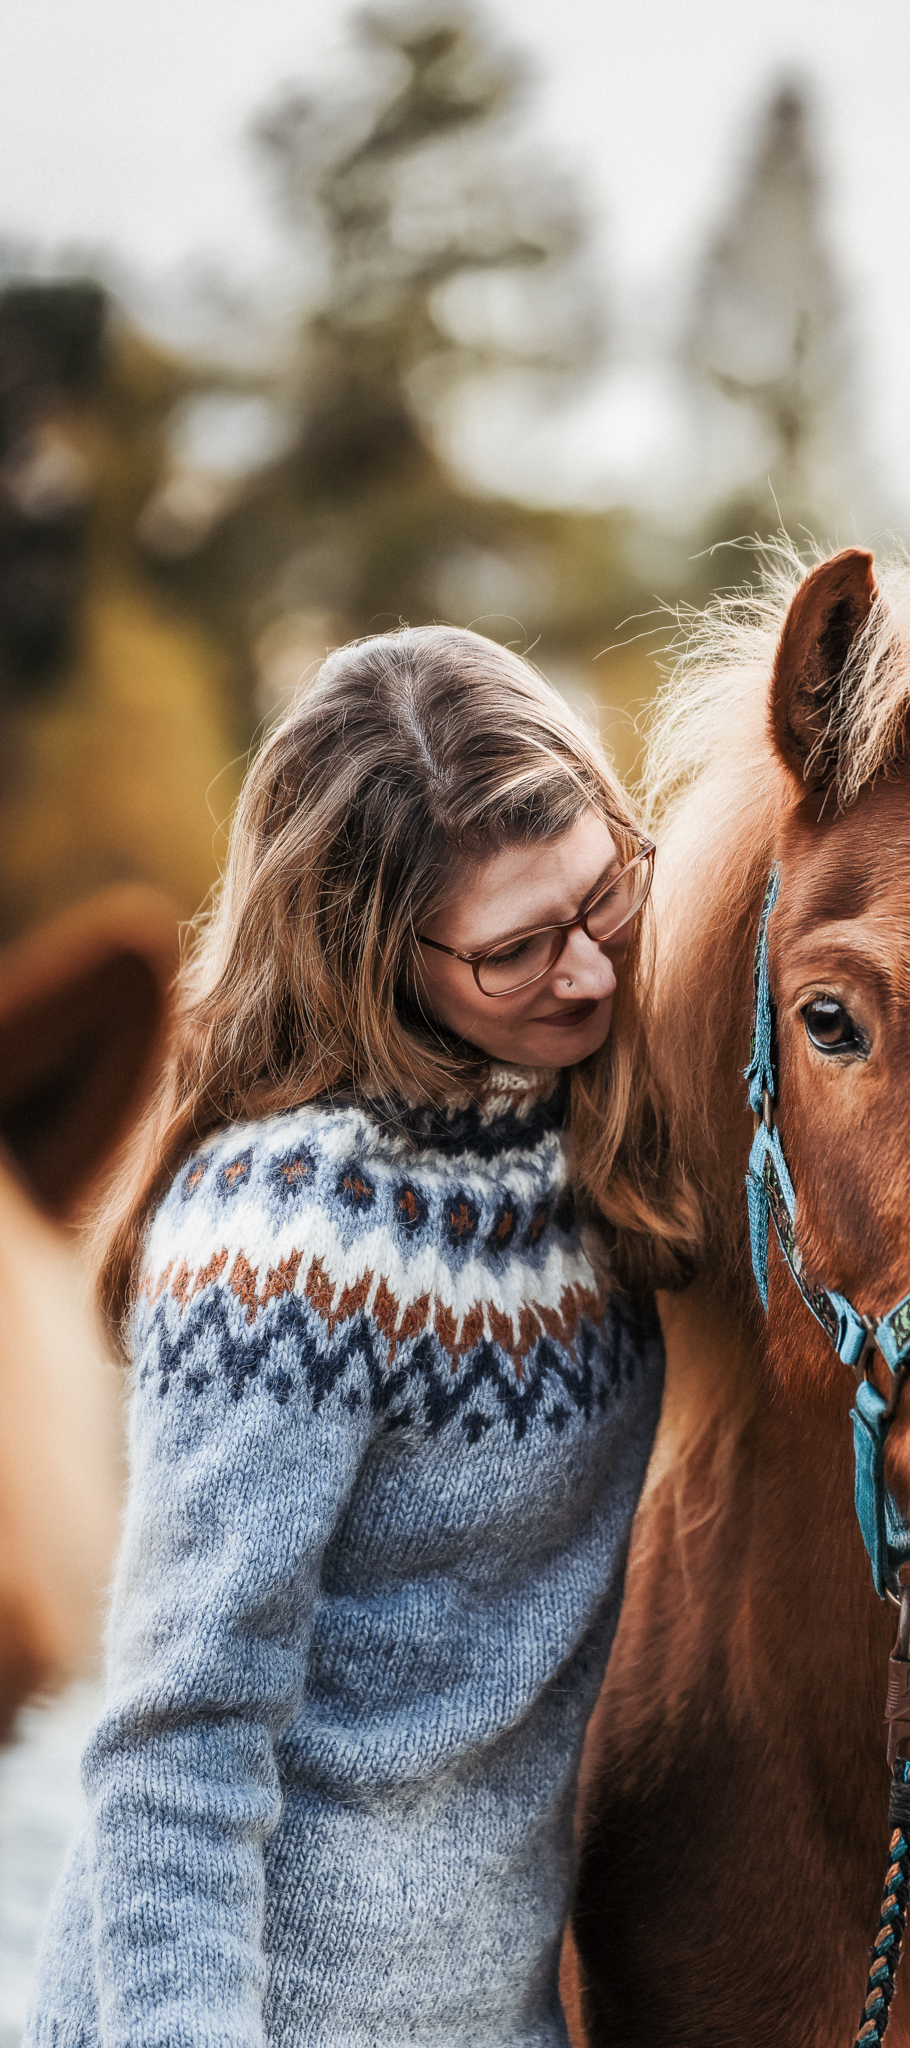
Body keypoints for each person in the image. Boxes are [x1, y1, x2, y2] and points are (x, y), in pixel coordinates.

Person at [27, 626, 694, 2047]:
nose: (585, 973)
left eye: (601, 898)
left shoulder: (609, 1153)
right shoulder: (287, 1243)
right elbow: (180, 1744)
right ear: (370, 954)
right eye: (516, 950)